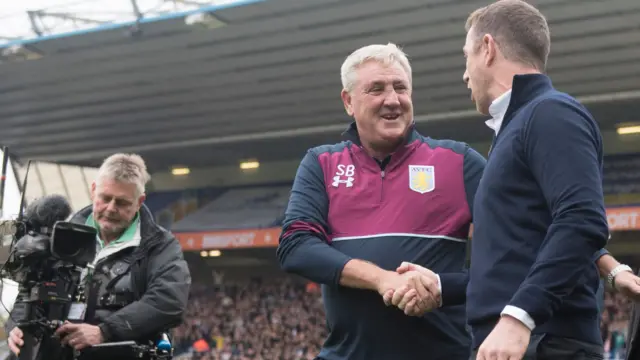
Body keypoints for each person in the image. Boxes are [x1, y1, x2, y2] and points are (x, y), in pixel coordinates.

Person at [276, 42, 486, 360]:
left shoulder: (459, 161)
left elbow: (513, 251)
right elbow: (295, 246)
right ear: (348, 101)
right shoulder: (321, 162)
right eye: (376, 89)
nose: (392, 100)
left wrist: (441, 287)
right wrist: (381, 279)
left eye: (400, 87)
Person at [459, 0, 609, 358]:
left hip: (543, 342)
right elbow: (511, 261)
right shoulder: (516, 127)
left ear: (488, 48)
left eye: (466, 56)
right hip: (515, 341)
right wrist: (437, 283)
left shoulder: (550, 112)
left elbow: (583, 219)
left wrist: (518, 317)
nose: (464, 75)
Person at [6, 153, 191, 359]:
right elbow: (29, 288)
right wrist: (17, 325)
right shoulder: (60, 235)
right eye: (105, 198)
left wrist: (105, 331)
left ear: (139, 202)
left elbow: (169, 301)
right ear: (93, 191)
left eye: (122, 202)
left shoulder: (160, 245)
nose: (111, 208)